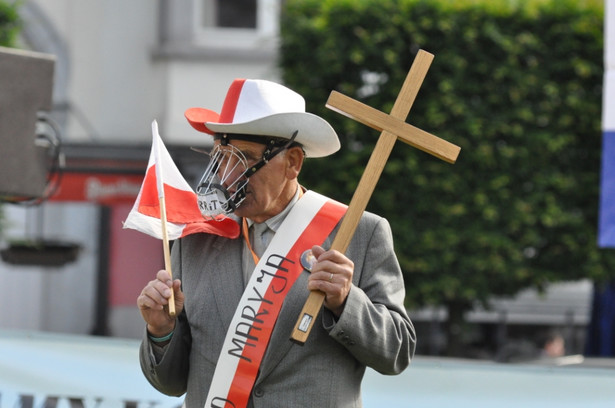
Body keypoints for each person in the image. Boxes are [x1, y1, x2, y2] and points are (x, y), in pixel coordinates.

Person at [137, 78, 416, 408]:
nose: (228, 176)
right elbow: (170, 384)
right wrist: (160, 330)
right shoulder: (195, 238)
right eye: (222, 157)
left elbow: (397, 352)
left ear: (294, 162)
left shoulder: (359, 232)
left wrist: (345, 302)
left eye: (243, 159)